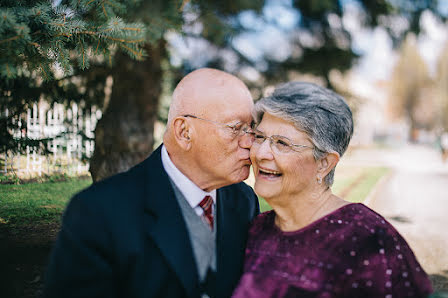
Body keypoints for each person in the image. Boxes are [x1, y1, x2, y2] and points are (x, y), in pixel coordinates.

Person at [44, 68, 260, 298]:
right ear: (184, 132)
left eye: (251, 129)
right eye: (236, 128)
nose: (250, 143)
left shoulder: (244, 201)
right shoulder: (97, 212)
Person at [232, 82, 433, 297]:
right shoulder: (258, 228)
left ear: (324, 163)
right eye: (260, 137)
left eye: (282, 143)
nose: (261, 153)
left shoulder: (369, 239)